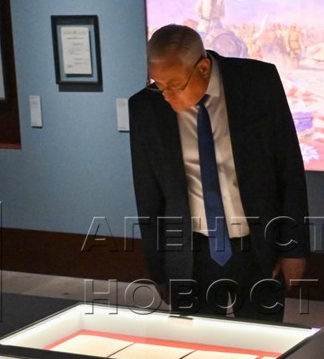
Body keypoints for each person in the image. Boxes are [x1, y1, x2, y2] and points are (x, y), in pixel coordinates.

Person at [128, 24, 309, 322]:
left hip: (257, 247)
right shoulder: (145, 107)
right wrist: (158, 269)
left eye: (175, 84)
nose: (166, 95)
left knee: (261, 339)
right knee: (196, 343)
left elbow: (288, 168)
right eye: (158, 84)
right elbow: (148, 193)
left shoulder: (258, 83)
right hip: (190, 253)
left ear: (202, 67)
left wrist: (294, 249)